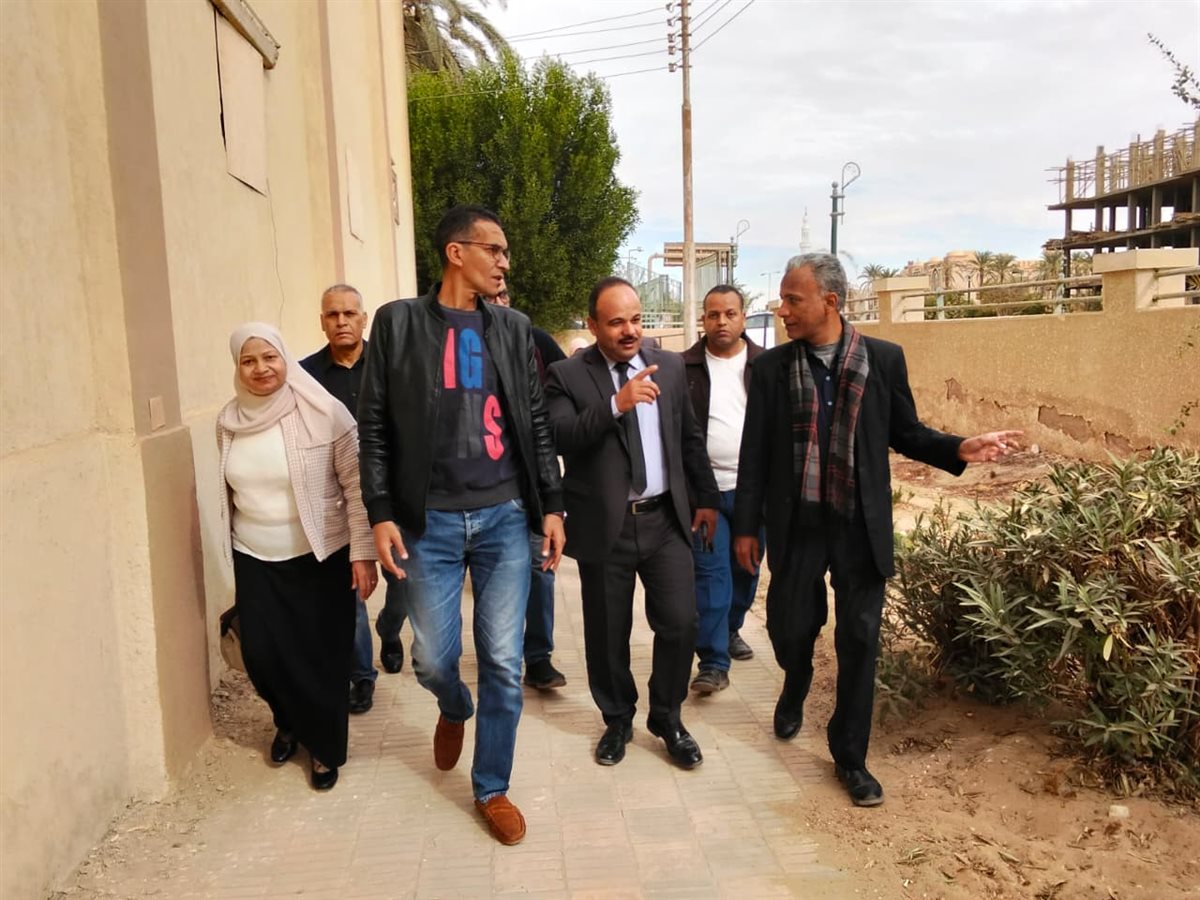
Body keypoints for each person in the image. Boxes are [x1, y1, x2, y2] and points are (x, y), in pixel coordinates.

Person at [732, 253, 1022, 807]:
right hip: (797, 524)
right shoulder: (770, 369)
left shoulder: (883, 360)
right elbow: (755, 454)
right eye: (783, 300)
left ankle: (851, 757)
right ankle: (796, 679)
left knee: (860, 640)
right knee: (791, 628)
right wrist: (745, 527)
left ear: (830, 302)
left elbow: (905, 431)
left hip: (859, 526)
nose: (782, 310)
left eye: (792, 299)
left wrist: (959, 447)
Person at [357, 205, 565, 846]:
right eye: (494, 250)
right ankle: (453, 705)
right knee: (431, 660)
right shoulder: (397, 323)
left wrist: (552, 505)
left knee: (503, 660)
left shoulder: (514, 327)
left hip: (505, 517)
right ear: (457, 252)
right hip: (430, 523)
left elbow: (535, 421)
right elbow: (373, 425)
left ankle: (491, 786)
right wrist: (380, 512)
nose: (504, 263)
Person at [545, 276, 718, 770]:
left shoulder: (668, 366)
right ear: (593, 324)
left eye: (636, 320)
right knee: (607, 633)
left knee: (681, 622)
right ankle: (618, 718)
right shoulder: (567, 375)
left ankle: (666, 716)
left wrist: (707, 498)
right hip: (608, 526)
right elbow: (560, 436)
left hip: (665, 520)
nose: (630, 331)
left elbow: (689, 437)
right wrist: (615, 405)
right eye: (617, 322)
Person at [217, 323, 378, 792]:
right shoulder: (228, 421)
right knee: (263, 655)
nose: (260, 369)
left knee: (321, 657)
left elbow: (357, 487)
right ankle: (287, 720)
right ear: (237, 368)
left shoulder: (326, 413)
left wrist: (363, 554)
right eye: (248, 361)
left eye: (269, 357)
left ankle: (324, 747)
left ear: (285, 358)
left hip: (319, 555)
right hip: (254, 555)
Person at [299, 284, 409, 717]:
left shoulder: (391, 366)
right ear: (322, 322)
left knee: (404, 578)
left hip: (393, 493)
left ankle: (391, 628)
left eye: (349, 314)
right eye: (332, 315)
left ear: (364, 319)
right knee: (351, 588)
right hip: (338, 498)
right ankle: (361, 675)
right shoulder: (304, 378)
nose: (341, 322)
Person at [680, 284, 765, 693]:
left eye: (730, 313)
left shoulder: (766, 365)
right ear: (703, 319)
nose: (722, 322)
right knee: (711, 576)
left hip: (753, 492)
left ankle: (731, 628)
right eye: (713, 314)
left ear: (743, 317)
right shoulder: (685, 367)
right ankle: (713, 662)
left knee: (746, 571)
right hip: (706, 495)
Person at [490, 287, 568, 691]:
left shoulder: (536, 341)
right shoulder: (459, 343)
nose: (499, 303)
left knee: (541, 569)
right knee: (493, 576)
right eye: (491, 297)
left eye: (503, 295)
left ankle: (538, 658)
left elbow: (567, 388)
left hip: (534, 481)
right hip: (483, 487)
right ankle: (498, 657)